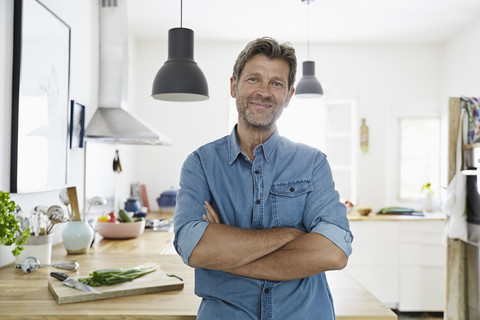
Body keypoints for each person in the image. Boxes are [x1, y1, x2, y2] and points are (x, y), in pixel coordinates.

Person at [173, 37, 353, 319]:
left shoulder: (313, 163)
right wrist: (290, 235)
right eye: (254, 79)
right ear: (234, 87)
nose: (264, 92)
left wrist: (226, 259)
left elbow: (333, 252)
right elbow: (193, 248)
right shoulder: (201, 164)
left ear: (289, 96)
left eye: (276, 83)